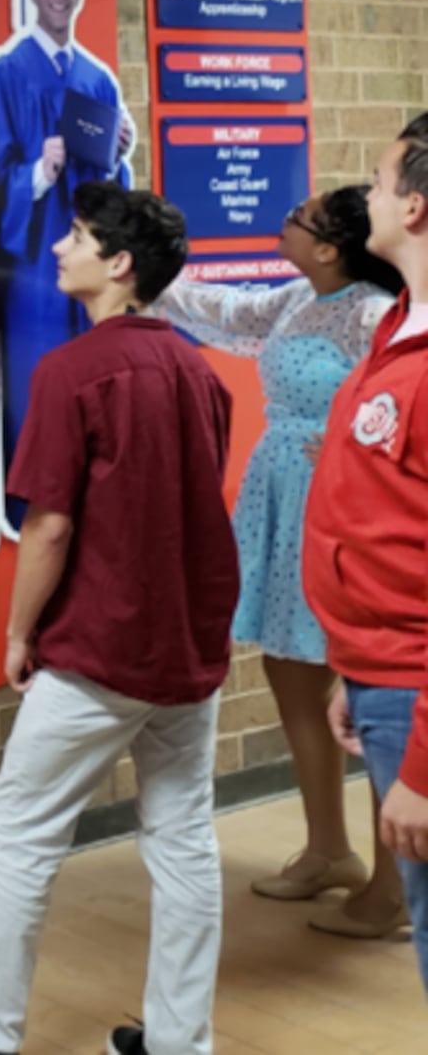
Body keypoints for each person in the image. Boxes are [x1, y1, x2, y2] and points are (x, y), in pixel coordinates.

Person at [0, 183, 237, 1055]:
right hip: (190, 651)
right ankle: (179, 1042)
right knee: (184, 834)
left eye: (77, 237)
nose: (59, 249)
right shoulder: (202, 373)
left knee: (19, 834)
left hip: (100, 651)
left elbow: (47, 526)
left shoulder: (73, 372)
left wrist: (15, 633)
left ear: (119, 267)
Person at [156, 188, 406, 936]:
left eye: (297, 219)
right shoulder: (298, 296)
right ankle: (329, 849)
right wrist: (146, 278)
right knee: (290, 670)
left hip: (343, 506)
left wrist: (350, 452)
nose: (284, 222)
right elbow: (226, 315)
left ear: (329, 247)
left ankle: (392, 887)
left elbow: (403, 405)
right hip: (282, 497)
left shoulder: (372, 314)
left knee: (367, 698)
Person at [306, 113, 428, 997]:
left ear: (417, 206)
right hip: (386, 678)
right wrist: (355, 669)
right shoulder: (397, 328)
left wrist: (422, 771)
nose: (371, 196)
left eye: (382, 184)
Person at [0, 0, 135, 503]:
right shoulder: (7, 72)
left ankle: (91, 500)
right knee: (38, 377)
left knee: (94, 375)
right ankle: (35, 510)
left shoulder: (98, 79)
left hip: (93, 256)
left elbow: (112, 183)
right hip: (35, 267)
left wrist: (121, 153)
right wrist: (37, 174)